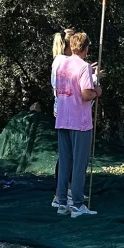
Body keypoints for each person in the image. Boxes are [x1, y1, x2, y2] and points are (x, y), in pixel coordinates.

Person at [53, 32, 101, 218]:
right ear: (86, 48)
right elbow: (86, 94)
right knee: (79, 164)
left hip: (63, 118)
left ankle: (61, 202)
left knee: (65, 162)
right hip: (79, 121)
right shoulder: (84, 66)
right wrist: (97, 91)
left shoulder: (60, 64)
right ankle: (78, 204)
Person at [50, 29, 75, 209]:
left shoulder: (57, 60)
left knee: (66, 153)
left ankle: (63, 192)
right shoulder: (65, 61)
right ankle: (64, 192)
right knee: (69, 153)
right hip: (69, 110)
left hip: (61, 109)